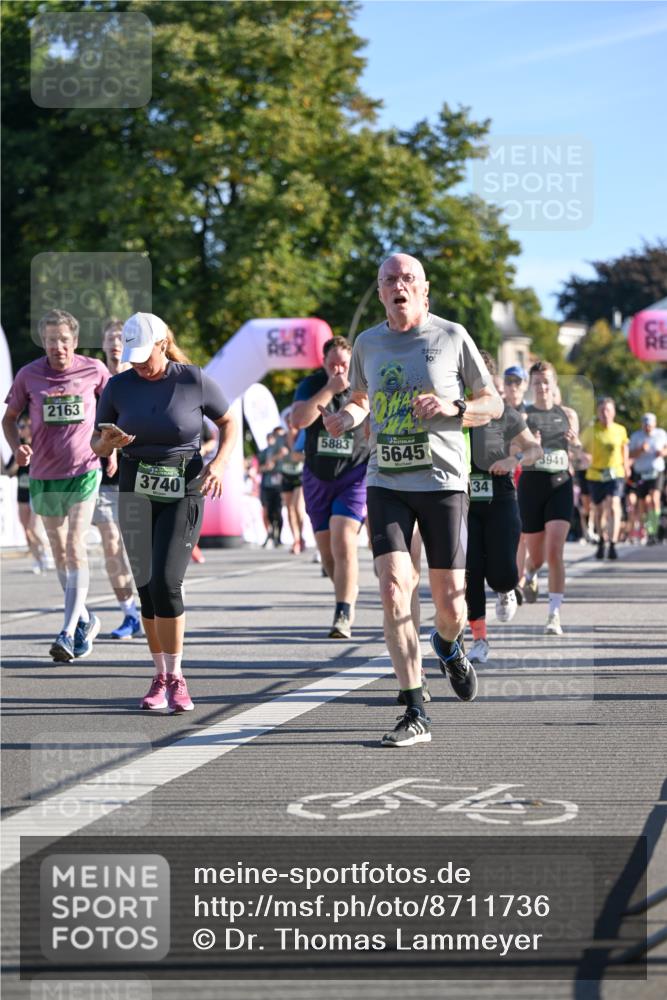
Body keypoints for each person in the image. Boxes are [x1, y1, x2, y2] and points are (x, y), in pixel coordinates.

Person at [320, 253, 502, 746]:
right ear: (380, 293)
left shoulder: (451, 335)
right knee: (394, 585)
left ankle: (448, 644)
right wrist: (347, 418)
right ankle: (414, 706)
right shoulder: (367, 343)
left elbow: (494, 403)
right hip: (387, 479)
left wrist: (454, 407)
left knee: (450, 603)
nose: (398, 286)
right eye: (388, 280)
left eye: (407, 279)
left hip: (443, 481)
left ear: (424, 289)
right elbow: (360, 398)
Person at [92, 312, 236, 713]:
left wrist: (219, 464)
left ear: (162, 343)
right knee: (145, 585)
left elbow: (228, 421)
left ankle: (178, 677)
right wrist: (110, 442)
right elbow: (97, 446)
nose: (139, 364)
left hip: (183, 486)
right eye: (132, 357)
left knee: (167, 582)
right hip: (134, 486)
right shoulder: (119, 386)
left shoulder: (191, 378)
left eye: (145, 356)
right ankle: (159, 675)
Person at [3, 309, 109, 661]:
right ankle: (85, 619)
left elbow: (115, 408)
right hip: (44, 475)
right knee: (59, 551)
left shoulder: (94, 370)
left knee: (76, 542)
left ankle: (66, 632)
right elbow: (8, 418)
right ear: (44, 342)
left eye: (64, 340)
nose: (58, 347)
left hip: (84, 469)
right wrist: (17, 447)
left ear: (74, 342)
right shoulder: (29, 375)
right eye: (51, 340)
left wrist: (110, 447)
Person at [465, 352, 542, 664]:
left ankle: (507, 588)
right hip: (464, 502)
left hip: (501, 497)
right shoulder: (452, 411)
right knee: (471, 573)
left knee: (502, 575)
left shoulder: (505, 413)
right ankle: (480, 640)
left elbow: (535, 449)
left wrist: (514, 460)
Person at [291, 336, 370, 639]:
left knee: (343, 538)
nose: (338, 370)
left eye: (344, 364)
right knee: (327, 553)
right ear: (324, 363)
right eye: (332, 364)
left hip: (354, 474)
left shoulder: (362, 387)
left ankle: (343, 612)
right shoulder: (312, 385)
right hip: (317, 476)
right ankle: (347, 589)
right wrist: (329, 390)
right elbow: (298, 420)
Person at [517, 361, 581, 636]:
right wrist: (534, 446)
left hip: (560, 484)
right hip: (532, 485)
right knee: (539, 557)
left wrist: (576, 445)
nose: (542, 387)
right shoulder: (523, 416)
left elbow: (577, 453)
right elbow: (517, 454)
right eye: (537, 382)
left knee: (555, 551)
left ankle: (554, 614)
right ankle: (530, 573)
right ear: (531, 387)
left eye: (547, 382)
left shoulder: (568, 414)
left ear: (554, 384)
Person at [92, 319, 143, 638]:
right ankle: (129, 613)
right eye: (109, 338)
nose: (114, 344)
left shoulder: (141, 378)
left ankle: (156, 607)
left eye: (120, 339)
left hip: (141, 473)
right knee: (112, 546)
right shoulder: (92, 379)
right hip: (106, 479)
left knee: (141, 550)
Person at [581, 398, 629, 560]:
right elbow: (579, 448)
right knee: (599, 510)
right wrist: (583, 456)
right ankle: (602, 541)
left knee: (614, 505)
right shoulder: (590, 431)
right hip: (595, 474)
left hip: (615, 473)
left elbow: (624, 448)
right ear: (597, 413)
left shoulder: (620, 430)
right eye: (601, 410)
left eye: (608, 410)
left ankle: (613, 544)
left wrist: (627, 467)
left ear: (614, 412)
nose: (605, 413)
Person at [4, 413, 52, 573]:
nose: (22, 430)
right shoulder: (18, 447)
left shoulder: (41, 446)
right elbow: (8, 472)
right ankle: (38, 559)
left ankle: (46, 552)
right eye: (20, 427)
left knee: (33, 528)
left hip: (39, 492)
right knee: (26, 531)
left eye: (25, 426)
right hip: (23, 493)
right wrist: (18, 457)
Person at [626, 412, 666, 546]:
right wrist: (640, 450)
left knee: (654, 499)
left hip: (656, 471)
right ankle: (646, 529)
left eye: (650, 425)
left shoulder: (661, 434)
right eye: (645, 425)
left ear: (654, 424)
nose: (647, 427)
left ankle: (653, 531)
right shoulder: (636, 436)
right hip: (641, 473)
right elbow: (629, 454)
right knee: (642, 503)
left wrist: (663, 453)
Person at [258, 429, 285, 548]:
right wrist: (266, 467)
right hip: (266, 485)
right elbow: (259, 468)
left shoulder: (282, 451)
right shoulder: (264, 452)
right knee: (267, 512)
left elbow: (283, 466)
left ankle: (278, 537)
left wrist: (274, 463)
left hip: (278, 486)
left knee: (278, 512)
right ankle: (270, 533)